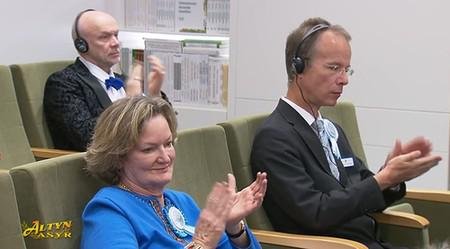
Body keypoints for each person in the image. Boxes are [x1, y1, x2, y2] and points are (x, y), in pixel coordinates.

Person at [250, 17, 442, 249]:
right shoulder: (275, 138)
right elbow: (315, 213)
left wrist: (392, 178)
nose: (344, 80)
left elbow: (362, 194)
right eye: (334, 68)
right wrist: (382, 180)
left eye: (346, 69)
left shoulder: (331, 130)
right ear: (297, 67)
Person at [81, 96, 267, 249]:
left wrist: (233, 227)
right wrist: (201, 243)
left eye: (168, 144)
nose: (165, 157)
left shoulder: (182, 201)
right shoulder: (108, 210)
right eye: (149, 149)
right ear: (118, 156)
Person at [44, 9, 168, 151]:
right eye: (104, 37)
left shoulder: (126, 80)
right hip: (98, 170)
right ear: (81, 45)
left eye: (116, 35)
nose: (116, 43)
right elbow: (87, 137)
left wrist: (155, 95)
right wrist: (130, 103)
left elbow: (167, 129)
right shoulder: (63, 83)